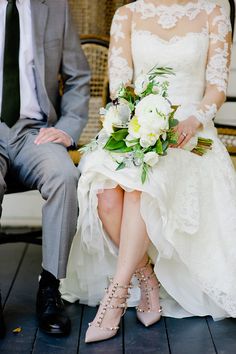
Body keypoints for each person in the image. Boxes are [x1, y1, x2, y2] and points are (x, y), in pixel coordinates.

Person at [61, 0, 236, 344]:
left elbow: (216, 87)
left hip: (190, 130)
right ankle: (147, 277)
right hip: (138, 123)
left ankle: (116, 295)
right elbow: (120, 88)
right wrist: (139, 125)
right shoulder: (127, 14)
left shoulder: (213, 11)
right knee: (105, 192)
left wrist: (192, 120)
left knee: (143, 183)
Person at [0, 0, 90, 338]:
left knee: (65, 177)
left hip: (35, 130)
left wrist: (67, 128)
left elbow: (78, 76)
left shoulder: (54, 6)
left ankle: (50, 288)